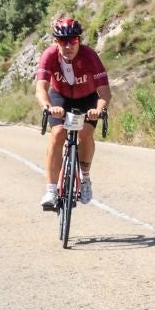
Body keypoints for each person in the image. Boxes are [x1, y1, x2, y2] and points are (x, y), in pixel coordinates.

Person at [35, 15, 110, 209]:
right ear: (56, 42)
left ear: (79, 41)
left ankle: (85, 178)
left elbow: (104, 92)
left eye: (73, 40)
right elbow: (41, 88)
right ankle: (51, 190)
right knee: (58, 134)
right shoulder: (49, 55)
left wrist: (98, 110)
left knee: (85, 132)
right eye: (63, 41)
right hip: (60, 98)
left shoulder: (90, 56)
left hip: (87, 99)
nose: (68, 46)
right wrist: (47, 106)